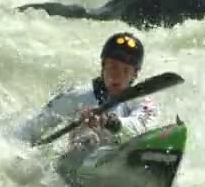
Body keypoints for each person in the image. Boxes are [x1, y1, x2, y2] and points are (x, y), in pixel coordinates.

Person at [13, 32, 159, 150]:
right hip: (83, 154)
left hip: (120, 151)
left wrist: (108, 121)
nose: (118, 76)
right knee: (87, 136)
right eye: (113, 67)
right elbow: (32, 128)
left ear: (135, 74)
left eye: (126, 70)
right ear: (103, 66)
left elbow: (142, 128)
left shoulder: (143, 102)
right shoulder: (77, 96)